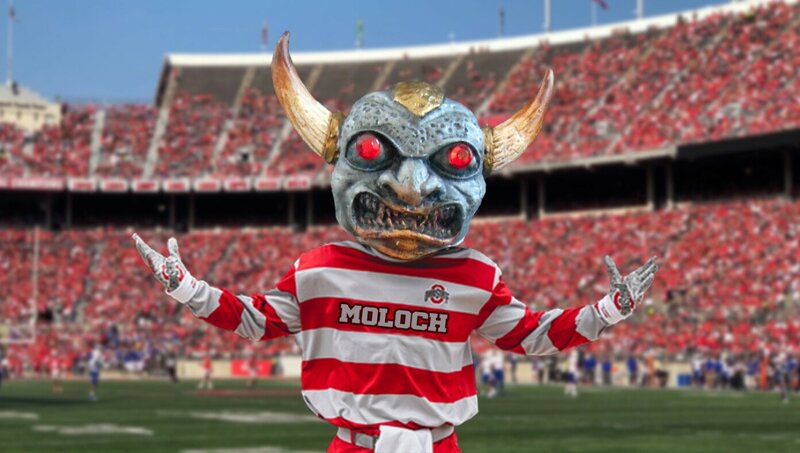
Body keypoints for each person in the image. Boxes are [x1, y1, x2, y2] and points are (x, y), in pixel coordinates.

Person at [133, 32, 659, 453]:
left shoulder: (474, 276)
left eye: (453, 162)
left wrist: (609, 309)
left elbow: (531, 335)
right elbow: (255, 320)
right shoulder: (321, 269)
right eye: (372, 152)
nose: (411, 188)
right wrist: (185, 287)